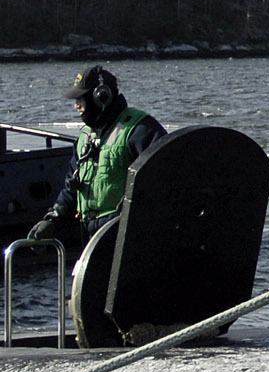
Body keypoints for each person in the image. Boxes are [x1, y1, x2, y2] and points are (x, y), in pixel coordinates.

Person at [27, 66, 167, 263]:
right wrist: (52, 219)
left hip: (126, 240)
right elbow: (72, 186)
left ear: (101, 97)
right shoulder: (85, 138)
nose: (77, 106)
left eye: (80, 100)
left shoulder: (139, 130)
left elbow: (166, 175)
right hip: (93, 240)